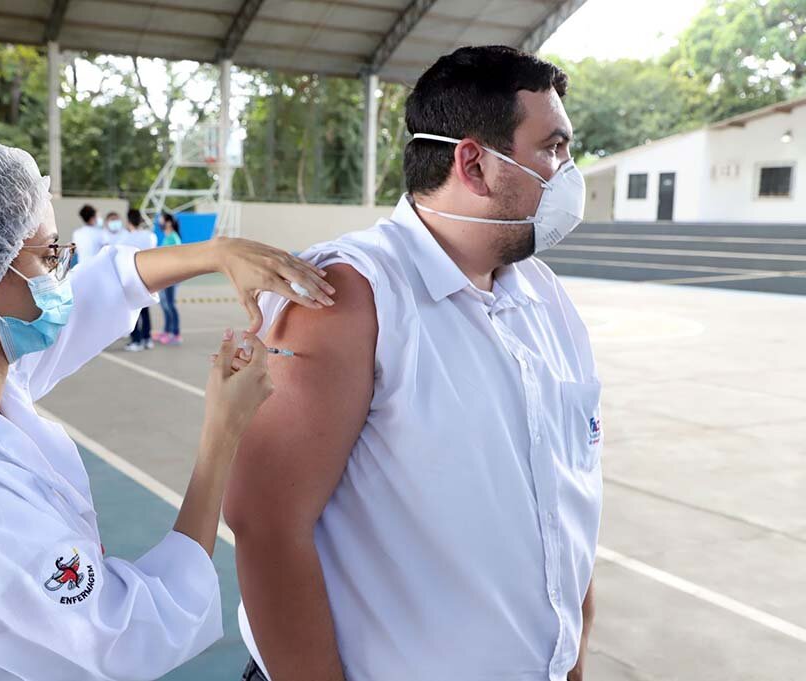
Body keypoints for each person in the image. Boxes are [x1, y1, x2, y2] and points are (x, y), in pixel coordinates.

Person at [0, 130, 336, 681]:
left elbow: (93, 296)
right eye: (48, 254)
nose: (60, 273)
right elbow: (132, 636)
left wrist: (216, 253)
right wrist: (221, 435)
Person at [224, 46, 598, 681]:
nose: (568, 171)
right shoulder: (352, 294)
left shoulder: (544, 299)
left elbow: (567, 501)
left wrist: (569, 663)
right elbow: (264, 522)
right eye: (552, 148)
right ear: (475, 162)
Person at [123, 208, 157, 352]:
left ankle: (136, 340)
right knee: (145, 309)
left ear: (129, 221)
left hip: (132, 277)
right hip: (148, 276)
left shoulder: (125, 238)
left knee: (133, 310)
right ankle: (147, 338)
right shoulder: (150, 236)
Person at [154, 211, 183, 345]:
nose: (160, 223)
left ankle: (175, 334)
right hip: (164, 276)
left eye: (162, 220)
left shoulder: (174, 237)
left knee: (170, 305)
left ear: (169, 222)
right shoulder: (167, 236)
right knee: (165, 304)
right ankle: (166, 331)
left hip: (171, 277)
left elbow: (176, 258)